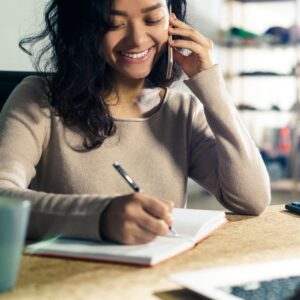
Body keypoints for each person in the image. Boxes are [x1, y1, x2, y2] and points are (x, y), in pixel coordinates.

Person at [0, 0, 271, 245]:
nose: (137, 39)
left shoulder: (182, 111)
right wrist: (101, 218)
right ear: (84, 29)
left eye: (152, 20)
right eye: (113, 24)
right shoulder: (38, 98)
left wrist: (210, 81)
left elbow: (252, 199)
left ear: (173, 21)